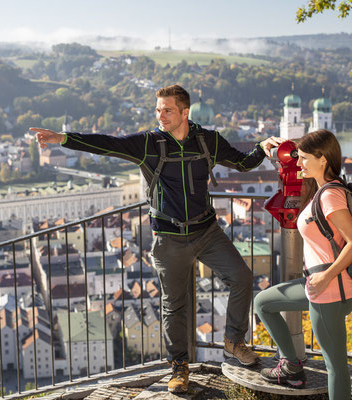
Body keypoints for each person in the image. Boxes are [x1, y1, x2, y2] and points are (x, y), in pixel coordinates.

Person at [32, 84, 282, 394]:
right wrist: (63, 138)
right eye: (157, 109)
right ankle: (179, 366)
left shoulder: (208, 141)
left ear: (185, 112)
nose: (160, 115)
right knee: (173, 306)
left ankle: (233, 341)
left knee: (242, 277)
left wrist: (262, 145)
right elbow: (108, 144)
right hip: (169, 238)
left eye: (167, 110)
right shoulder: (149, 144)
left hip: (206, 232)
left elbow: (243, 163)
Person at [254, 129, 352, 400]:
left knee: (335, 366)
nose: (298, 163)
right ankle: (291, 367)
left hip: (329, 290)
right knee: (263, 303)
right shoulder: (321, 190)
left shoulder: (329, 196)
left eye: (303, 158)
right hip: (319, 285)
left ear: (322, 159)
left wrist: (326, 277)